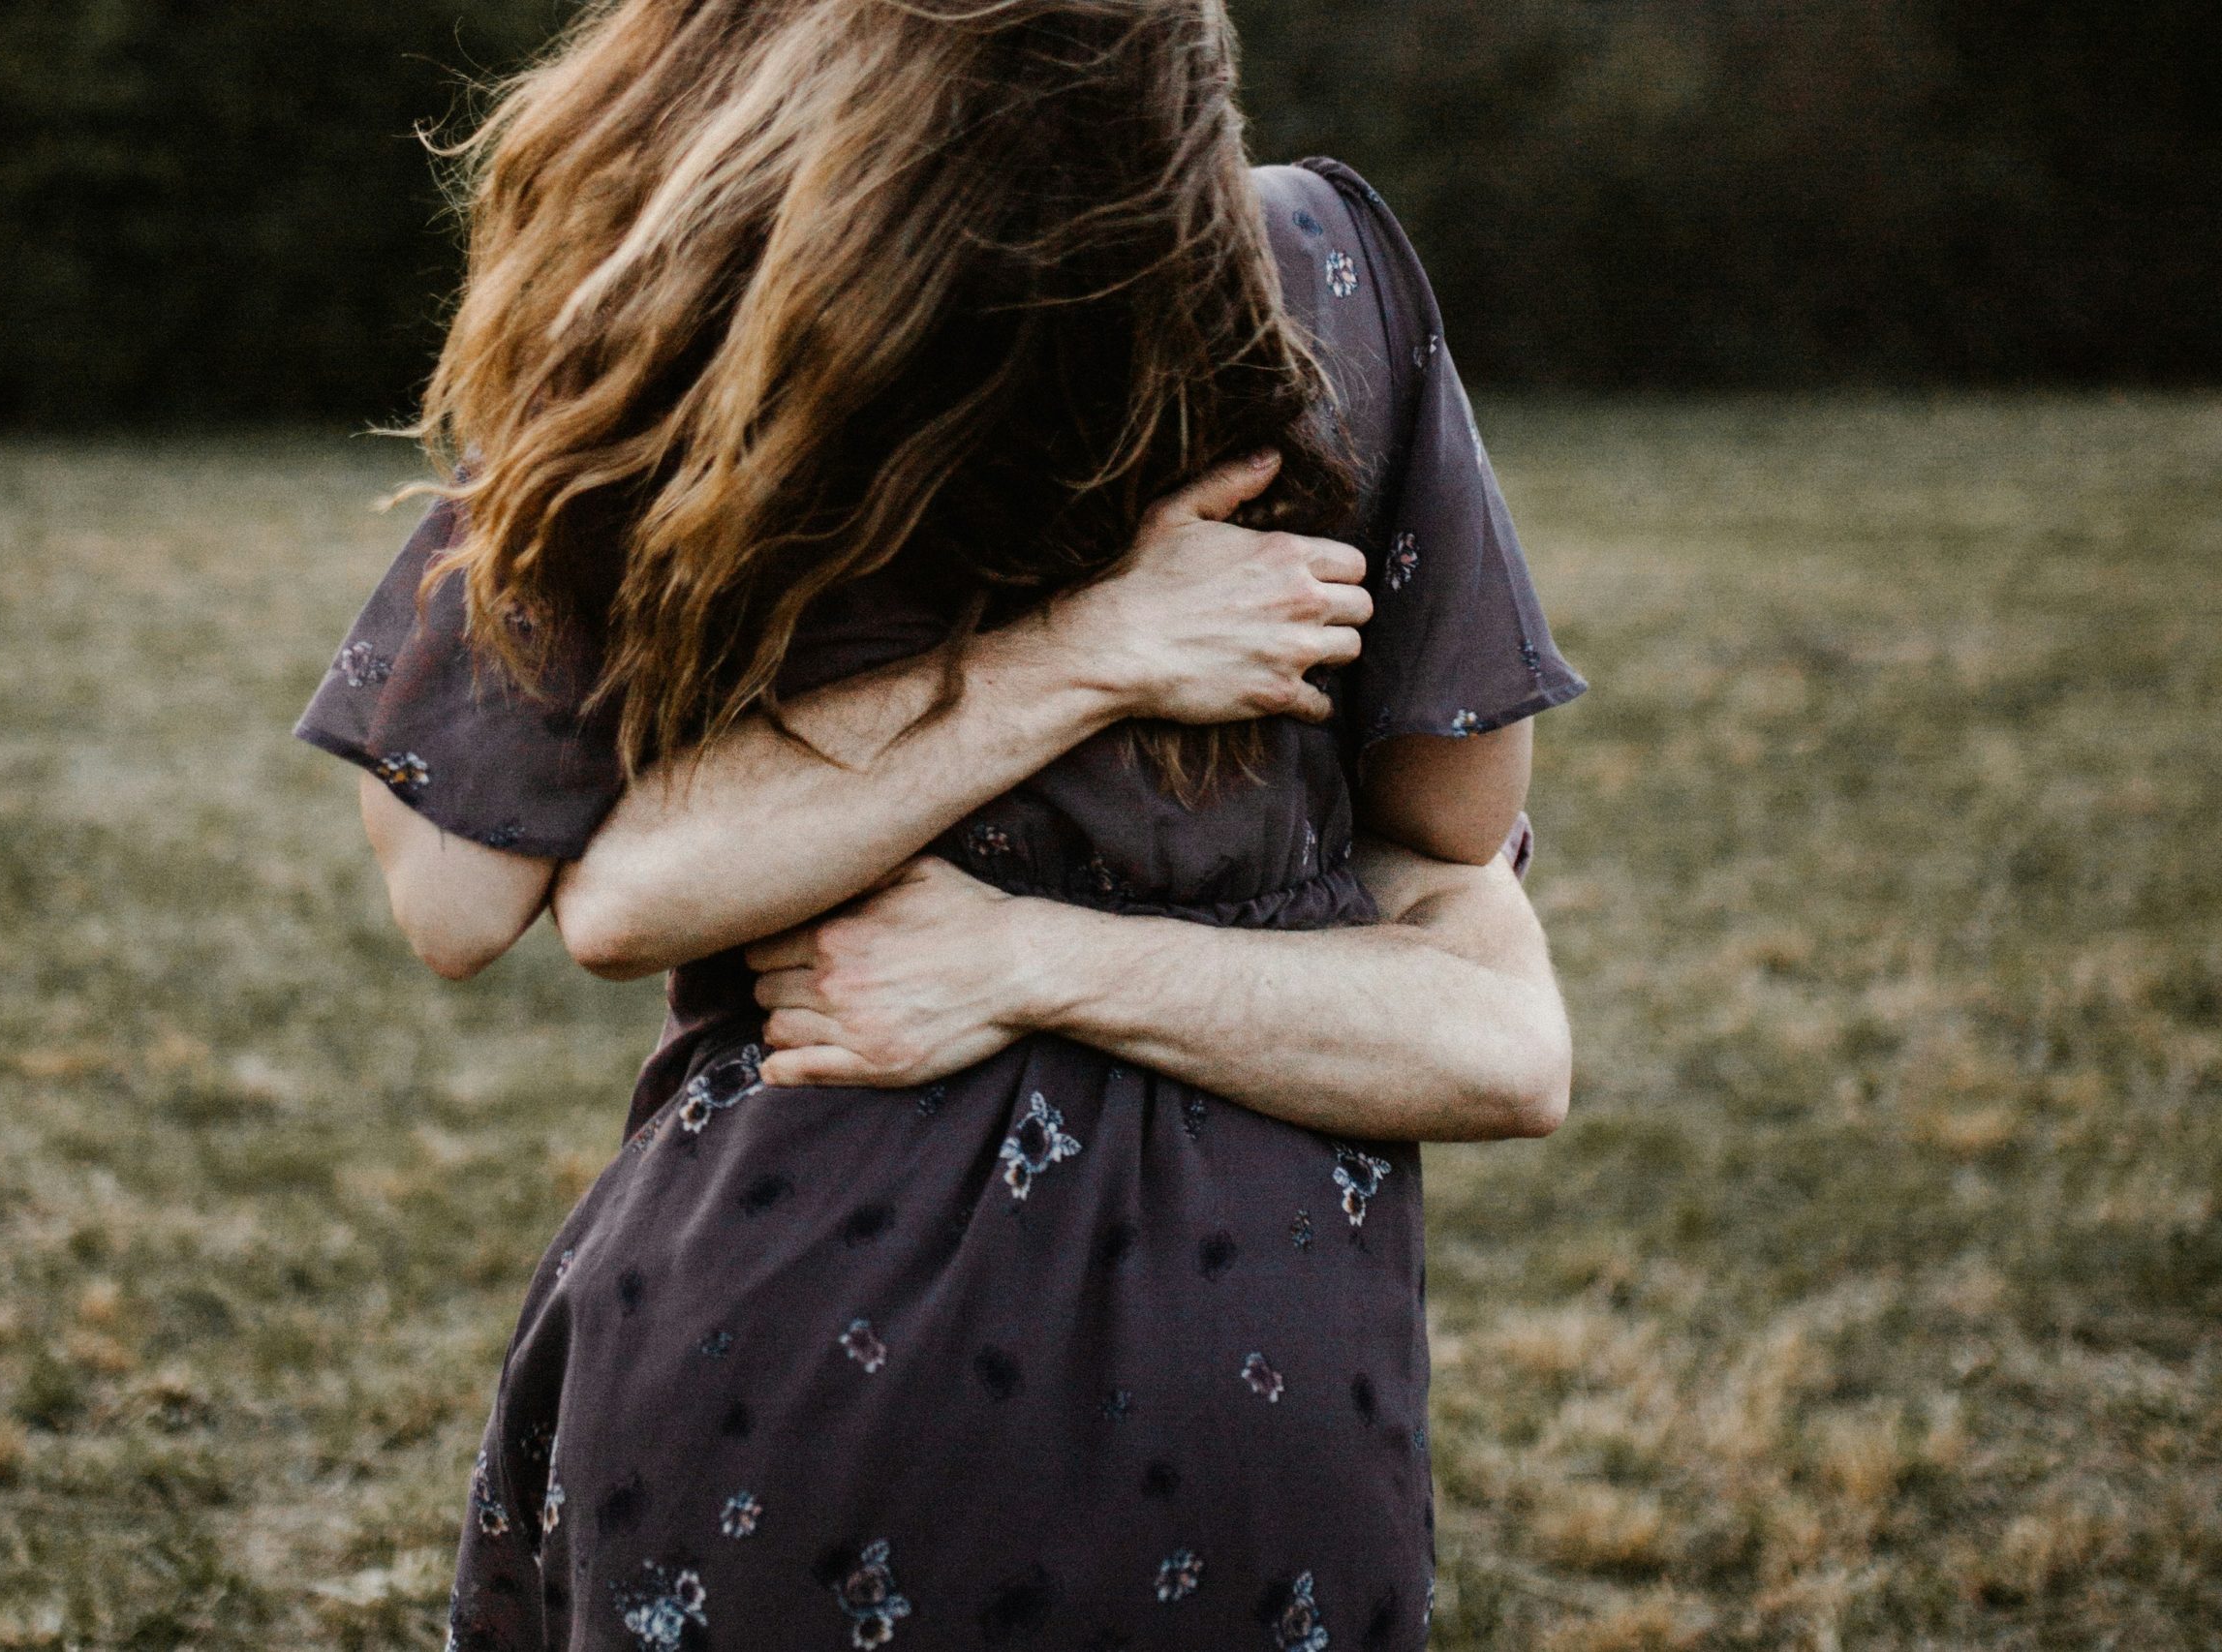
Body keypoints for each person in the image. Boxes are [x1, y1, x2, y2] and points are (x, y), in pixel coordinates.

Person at [294, 3, 1585, 1646]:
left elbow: (461, 896)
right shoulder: (1314, 276)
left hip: (779, 1364)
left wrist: (613, 323)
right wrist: (1098, 657)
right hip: (1253, 1391)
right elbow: (1457, 824)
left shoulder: (738, 322)